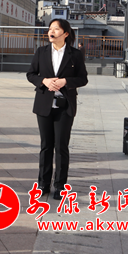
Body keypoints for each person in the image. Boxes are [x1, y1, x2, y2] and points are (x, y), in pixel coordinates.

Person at [26, 18, 88, 200]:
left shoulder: (75, 54)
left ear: (66, 34)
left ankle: (60, 186)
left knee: (61, 147)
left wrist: (65, 81)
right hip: (44, 105)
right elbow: (31, 74)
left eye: (56, 29)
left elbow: (83, 79)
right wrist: (44, 81)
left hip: (64, 107)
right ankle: (43, 184)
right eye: (50, 29)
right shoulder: (41, 52)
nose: (51, 32)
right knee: (46, 146)